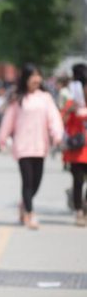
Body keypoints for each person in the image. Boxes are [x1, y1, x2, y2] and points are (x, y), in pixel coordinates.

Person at [0, 63, 63, 230]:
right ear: (25, 79)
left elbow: (53, 118)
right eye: (33, 76)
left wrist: (57, 135)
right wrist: (2, 138)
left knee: (37, 182)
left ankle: (24, 204)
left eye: (38, 75)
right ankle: (31, 213)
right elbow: (8, 120)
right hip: (23, 146)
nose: (36, 79)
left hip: (40, 145)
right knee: (27, 181)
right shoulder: (18, 99)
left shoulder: (45, 98)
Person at [61, 83, 87, 227]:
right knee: (78, 182)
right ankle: (79, 211)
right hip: (78, 152)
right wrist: (69, 111)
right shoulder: (73, 103)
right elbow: (61, 122)